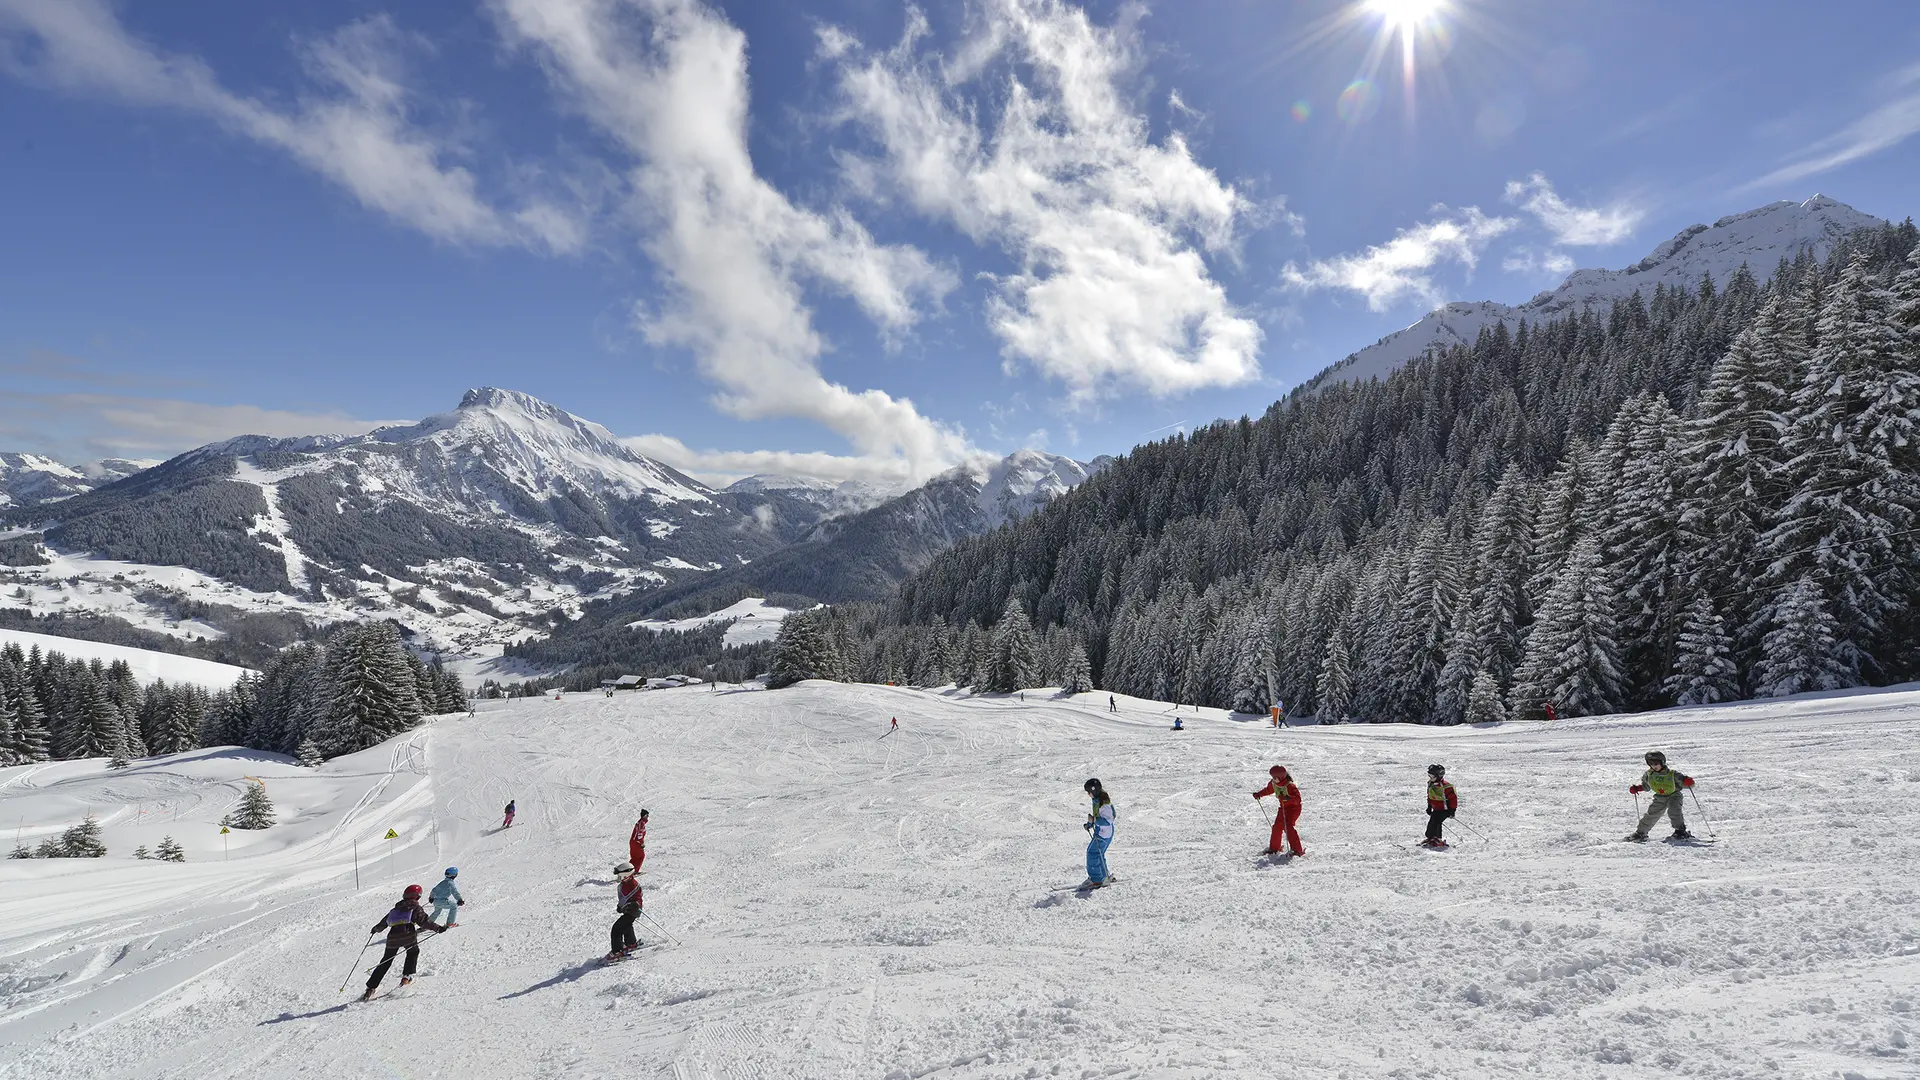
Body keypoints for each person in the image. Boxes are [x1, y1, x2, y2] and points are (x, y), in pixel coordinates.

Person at [361, 884, 451, 1000]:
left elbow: (384, 922)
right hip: (408, 936)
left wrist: (376, 929)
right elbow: (424, 922)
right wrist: (438, 928)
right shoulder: (415, 908)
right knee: (413, 952)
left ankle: (371, 988)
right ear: (417, 897)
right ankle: (406, 978)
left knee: (386, 961)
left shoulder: (395, 909)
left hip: (392, 938)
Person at [1628, 751, 1694, 841]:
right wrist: (1638, 788)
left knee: (1674, 811)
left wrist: (1688, 781)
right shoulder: (1649, 775)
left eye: (1656, 763)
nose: (1653, 766)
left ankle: (1680, 831)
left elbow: (1686, 783)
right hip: (1659, 797)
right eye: (1650, 764)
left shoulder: (1672, 774)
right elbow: (1647, 786)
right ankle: (1641, 832)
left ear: (1662, 762)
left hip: (1674, 795)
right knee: (1651, 814)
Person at [1252, 765, 1304, 857]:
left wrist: (1287, 798)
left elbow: (1297, 800)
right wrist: (1259, 794)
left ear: (1279, 777)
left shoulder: (1290, 786)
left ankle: (1297, 850)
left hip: (1293, 809)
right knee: (1277, 827)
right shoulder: (1274, 783)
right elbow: (1268, 790)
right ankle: (1274, 848)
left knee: (1288, 827)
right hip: (1283, 808)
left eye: (1274, 777)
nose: (1273, 779)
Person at [1082, 778, 1116, 888]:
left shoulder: (1104, 804)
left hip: (1103, 834)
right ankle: (1104, 876)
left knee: (1092, 853)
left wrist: (1094, 821)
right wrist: (1090, 824)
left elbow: (1108, 821)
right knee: (1099, 854)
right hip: (1103, 832)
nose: (1088, 794)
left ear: (1094, 791)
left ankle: (1096, 879)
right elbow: (1097, 817)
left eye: (1089, 792)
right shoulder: (1098, 801)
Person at [608, 861, 643, 961]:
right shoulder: (624, 884)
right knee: (626, 926)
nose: (618, 878)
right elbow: (623, 898)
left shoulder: (632, 884)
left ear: (625, 875)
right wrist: (620, 906)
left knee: (617, 928)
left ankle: (617, 952)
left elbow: (638, 897)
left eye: (620, 876)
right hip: (628, 910)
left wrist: (633, 905)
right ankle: (631, 943)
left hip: (633, 910)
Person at [1422, 765, 1457, 848]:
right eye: (1429, 776)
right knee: (1433, 822)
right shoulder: (1431, 784)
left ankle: (1437, 839)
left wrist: (1452, 810)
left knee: (1436, 822)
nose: (1430, 778)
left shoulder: (1447, 786)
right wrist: (1429, 806)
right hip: (1436, 809)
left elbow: (1453, 799)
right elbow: (1430, 796)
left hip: (1445, 810)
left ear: (1439, 776)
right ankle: (1431, 837)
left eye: (1432, 776)